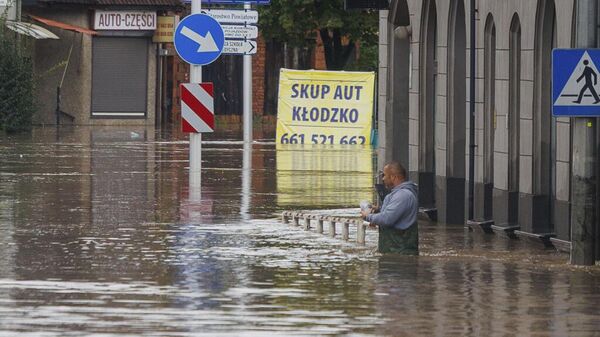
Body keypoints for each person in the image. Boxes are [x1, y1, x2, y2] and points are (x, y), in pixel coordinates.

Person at [360, 161, 419, 255]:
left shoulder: (403, 195)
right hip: (393, 252)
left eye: (384, 175)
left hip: (400, 255)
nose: (382, 179)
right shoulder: (397, 194)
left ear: (393, 177)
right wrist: (377, 211)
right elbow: (390, 216)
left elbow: (387, 219)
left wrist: (368, 216)